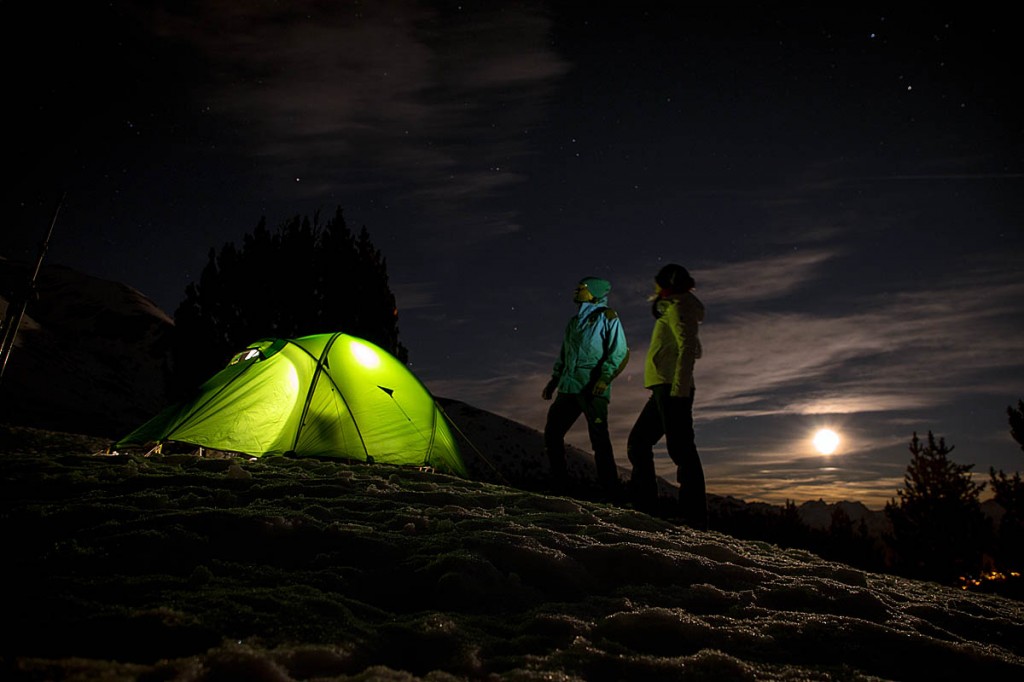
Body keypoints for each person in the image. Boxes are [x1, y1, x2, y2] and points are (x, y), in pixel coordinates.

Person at [627, 263, 707, 529]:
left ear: (668, 284)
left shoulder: (681, 306)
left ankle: (693, 515)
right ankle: (645, 505)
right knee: (639, 442)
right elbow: (693, 347)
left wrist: (679, 391)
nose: (656, 289)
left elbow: (687, 348)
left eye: (659, 284)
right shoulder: (674, 307)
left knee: (681, 449)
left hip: (673, 388)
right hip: (664, 386)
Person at [542, 276, 629, 498]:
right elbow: (565, 353)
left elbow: (618, 352)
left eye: (581, 288)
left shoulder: (608, 318)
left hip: (593, 389)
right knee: (552, 433)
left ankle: (611, 493)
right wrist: (554, 380)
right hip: (569, 387)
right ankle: (559, 486)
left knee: (599, 440)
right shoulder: (573, 322)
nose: (576, 290)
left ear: (594, 292)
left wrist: (604, 379)